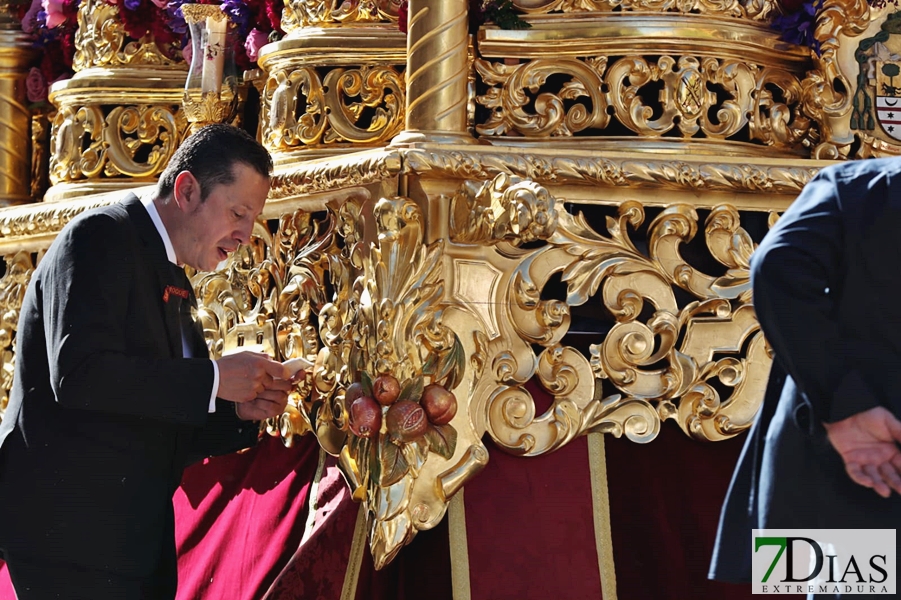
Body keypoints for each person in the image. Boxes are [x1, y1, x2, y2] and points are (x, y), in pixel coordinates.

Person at [0, 124, 294, 598]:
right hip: (69, 533)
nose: (245, 235)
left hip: (130, 538)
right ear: (187, 189)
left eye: (253, 219)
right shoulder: (100, 236)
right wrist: (216, 377)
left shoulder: (172, 269)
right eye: (238, 212)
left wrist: (240, 410)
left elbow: (162, 415)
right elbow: (81, 377)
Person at [709, 157, 901, 597]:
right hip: (825, 465)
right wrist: (846, 407)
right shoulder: (857, 187)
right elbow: (776, 267)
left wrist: (846, 407)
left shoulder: (853, 186)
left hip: (820, 464)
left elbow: (776, 265)